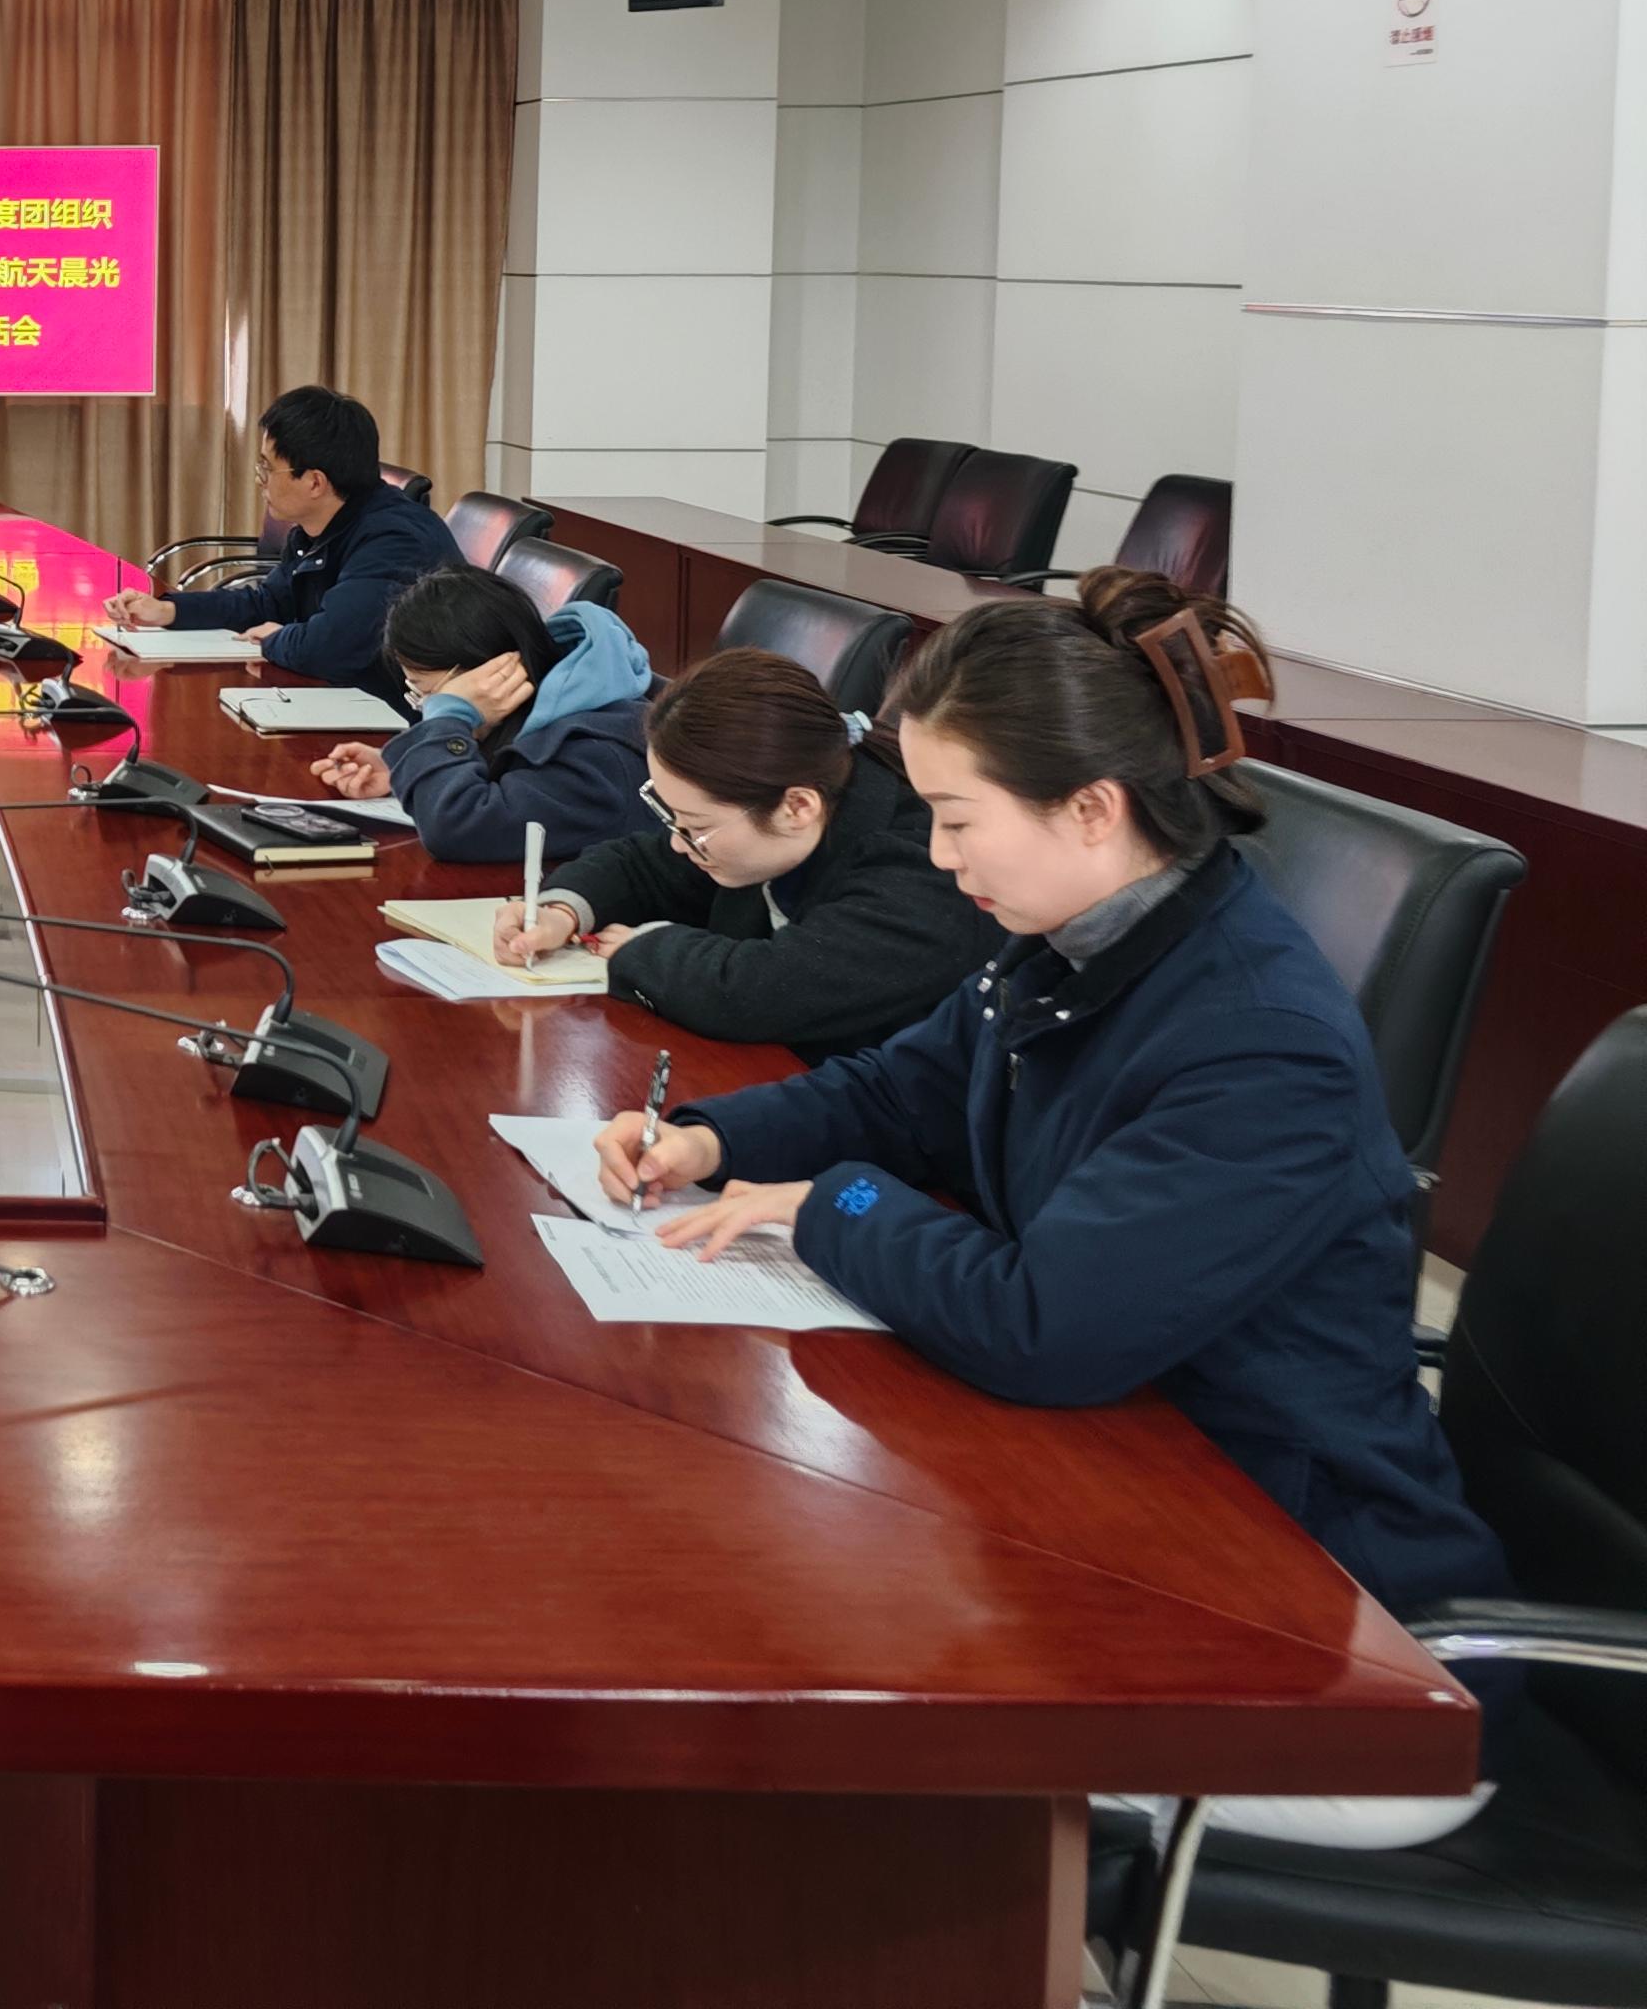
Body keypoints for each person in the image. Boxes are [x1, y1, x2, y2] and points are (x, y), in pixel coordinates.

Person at [595, 571, 1511, 1850]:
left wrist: (824, 1205)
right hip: (1145, 1504)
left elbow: (1041, 1328)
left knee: (808, 1716)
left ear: (1091, 808)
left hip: (1336, 1634)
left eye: (957, 819)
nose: (937, 856)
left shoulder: (1257, 1043)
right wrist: (709, 1139)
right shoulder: (1076, 937)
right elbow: (902, 1088)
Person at [495, 644, 988, 1056]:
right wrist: (562, 912)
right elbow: (643, 864)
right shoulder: (771, 809)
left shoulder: (921, 874)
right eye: (672, 818)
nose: (678, 841)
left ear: (797, 806)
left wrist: (642, 951)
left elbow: (760, 991)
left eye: (696, 826)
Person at [97, 385, 454, 700]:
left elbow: (332, 646)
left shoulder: (395, 540)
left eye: (267, 468)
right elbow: (268, 603)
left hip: (395, 722)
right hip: (336, 697)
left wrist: (275, 640)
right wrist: (170, 611)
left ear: (315, 483)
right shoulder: (318, 525)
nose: (260, 480)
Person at [316, 563, 652, 864]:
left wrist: (451, 715)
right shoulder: (544, 704)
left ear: (495, 677)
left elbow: (455, 828)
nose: (427, 708)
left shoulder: (595, 759)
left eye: (431, 696)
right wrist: (403, 770)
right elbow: (505, 777)